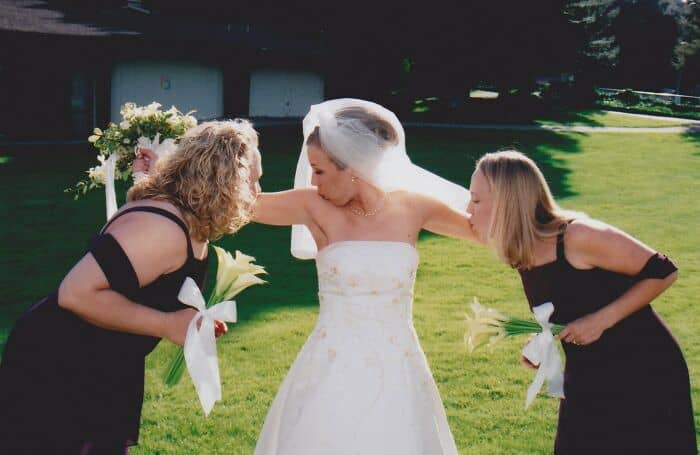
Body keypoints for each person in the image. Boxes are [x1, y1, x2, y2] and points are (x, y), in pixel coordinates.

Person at [0, 120, 262, 454]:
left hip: (103, 365)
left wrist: (191, 322)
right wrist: (168, 324)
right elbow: (74, 293)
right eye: (254, 180)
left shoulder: (187, 221)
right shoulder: (162, 229)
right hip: (58, 363)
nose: (257, 191)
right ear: (226, 181)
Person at [250, 99, 475, 454]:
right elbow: (236, 206)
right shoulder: (312, 205)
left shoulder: (414, 207)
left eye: (319, 170)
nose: (312, 180)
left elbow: (492, 233)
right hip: (331, 368)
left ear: (353, 168)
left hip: (400, 369)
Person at [467, 149, 696, 454]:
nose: (468, 209)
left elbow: (663, 270)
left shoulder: (578, 236)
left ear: (507, 203)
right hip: (587, 374)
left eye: (476, 200)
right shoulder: (522, 252)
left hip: (644, 370)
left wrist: (600, 321)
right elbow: (570, 304)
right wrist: (541, 342)